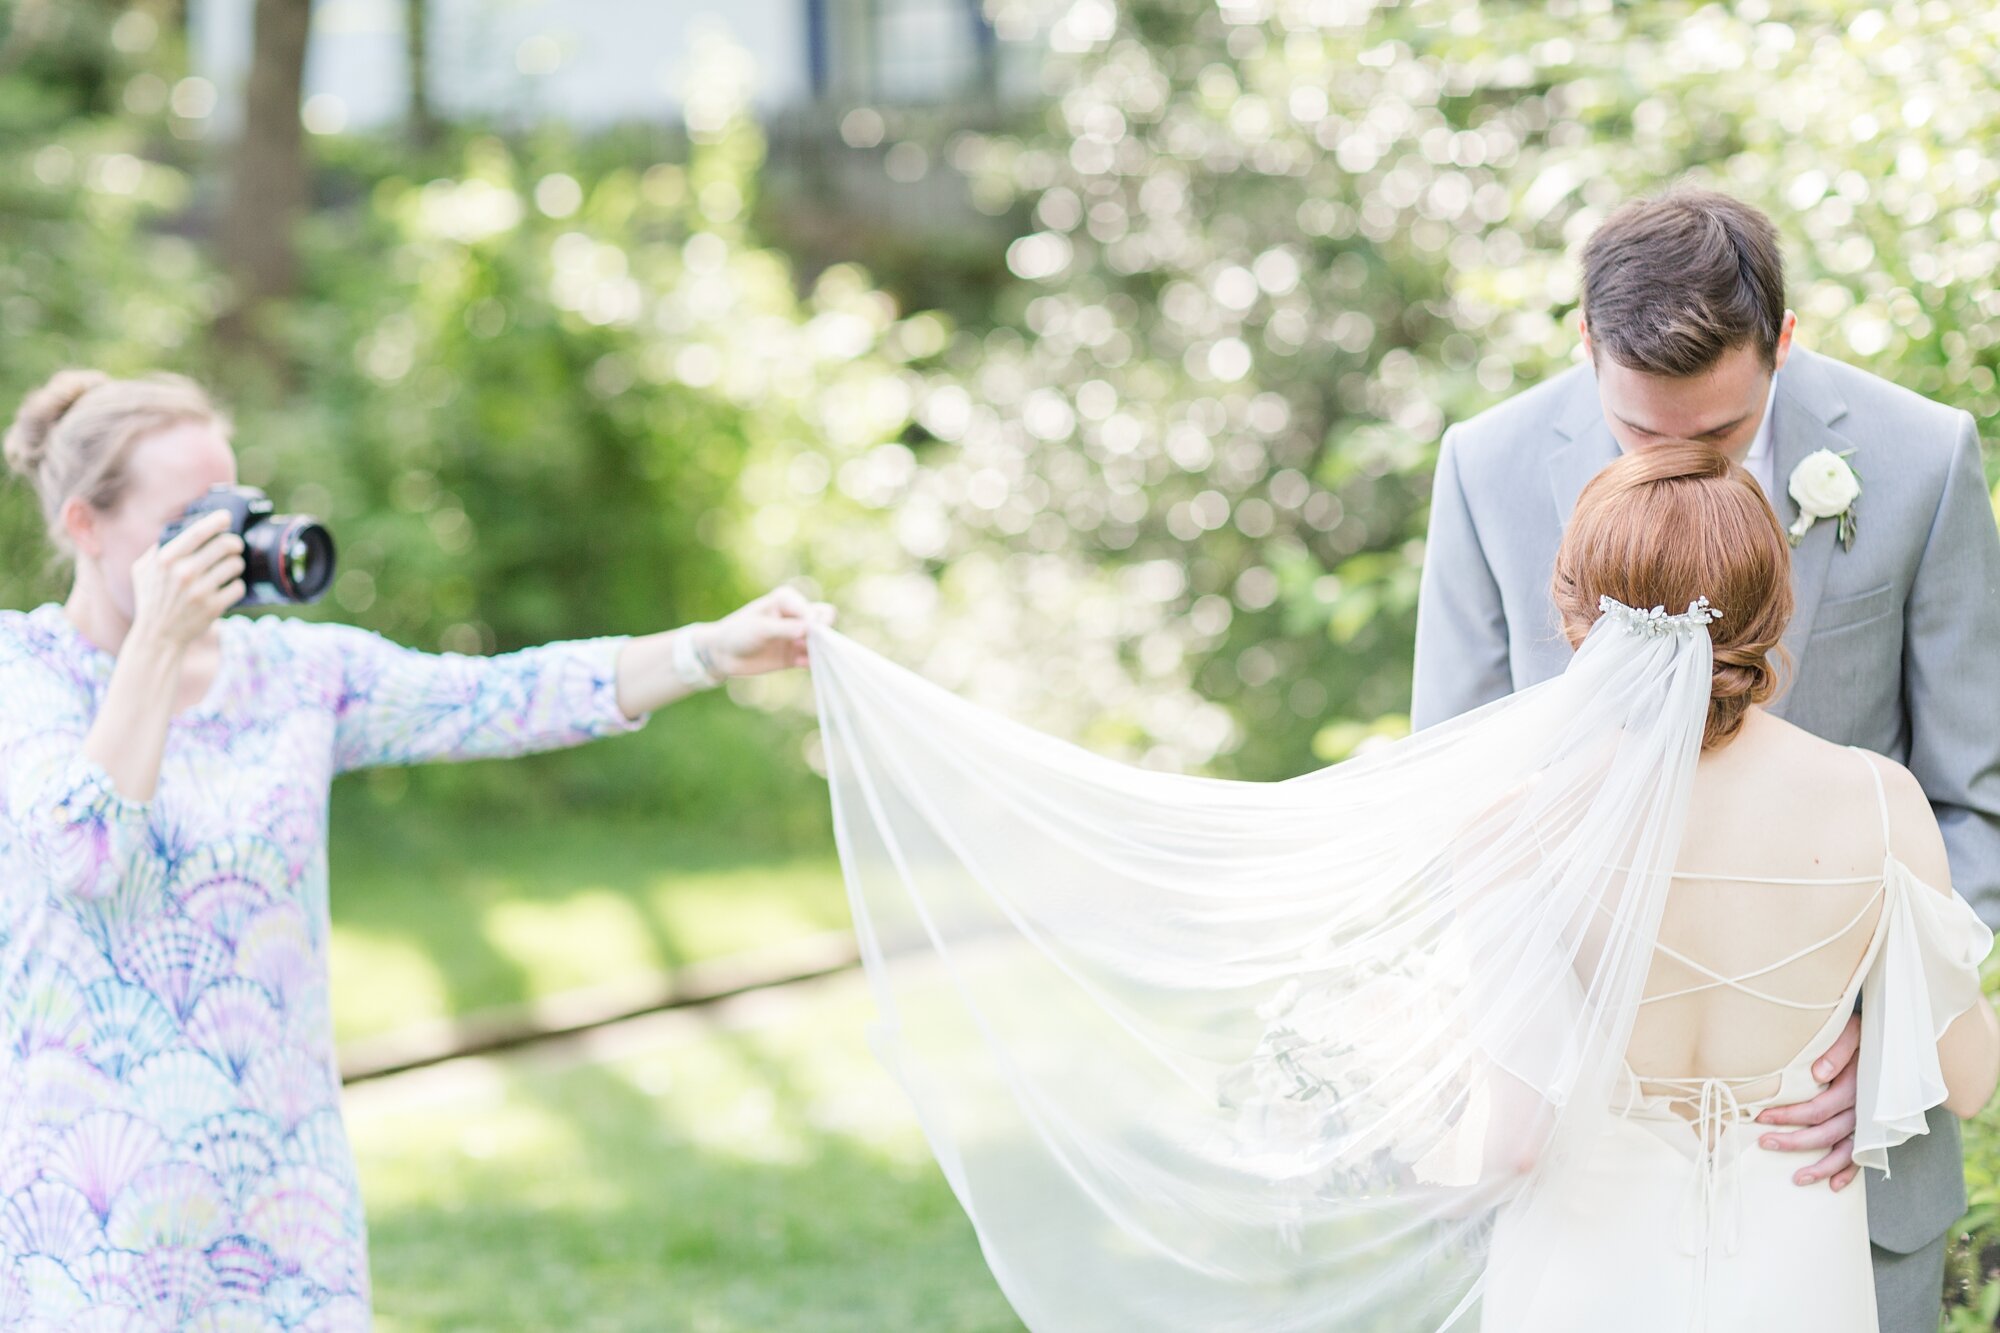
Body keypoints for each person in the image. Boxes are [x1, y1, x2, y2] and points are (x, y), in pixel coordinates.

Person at [802, 444, 1998, 1331]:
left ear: (1575, 620)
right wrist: (1858, 1058)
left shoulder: (1519, 824)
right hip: (1794, 1268)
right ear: (1768, 613)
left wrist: (1369, 1109)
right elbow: (1968, 1074)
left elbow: (1510, 1143)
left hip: (1585, 1280)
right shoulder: (1874, 802)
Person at [0, 369, 833, 1327]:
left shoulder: (296, 677)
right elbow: (86, 854)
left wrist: (708, 651)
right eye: (188, 520)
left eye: (235, 510)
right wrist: (152, 647)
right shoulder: (23, 673)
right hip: (93, 1210)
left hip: (282, 1196)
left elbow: (501, 696)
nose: (223, 547)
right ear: (84, 524)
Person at [1411, 187, 2000, 1327]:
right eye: (1639, 435)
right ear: (1584, 345)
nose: (1683, 465)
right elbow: (1457, 773)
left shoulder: (1920, 458)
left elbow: (1974, 793)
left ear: (1780, 343)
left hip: (1838, 1159)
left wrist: (1892, 1033)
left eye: (1720, 435)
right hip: (1589, 1160)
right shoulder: (1484, 468)